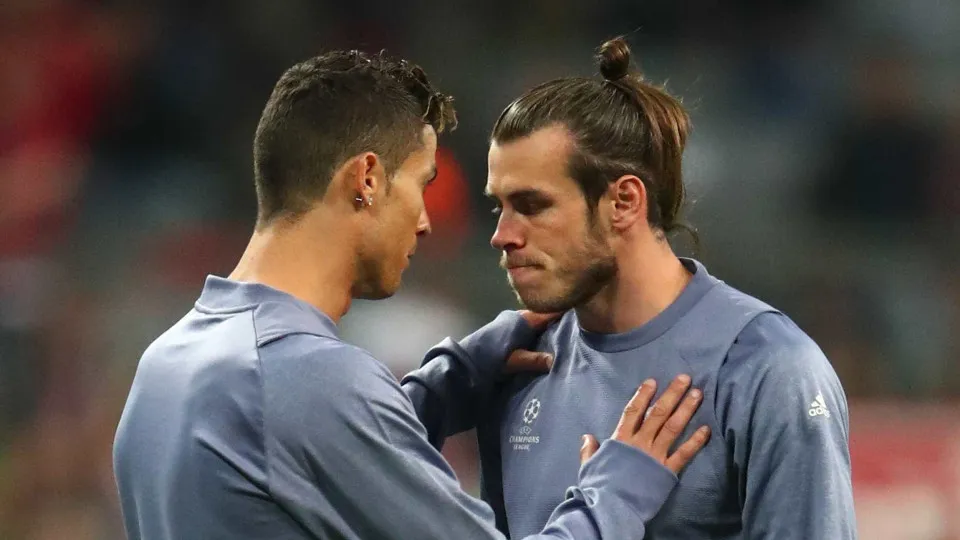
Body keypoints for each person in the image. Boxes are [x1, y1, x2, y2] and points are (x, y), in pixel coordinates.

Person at [111, 48, 711, 540]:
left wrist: (436, 390)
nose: (424, 221)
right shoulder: (307, 378)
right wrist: (619, 488)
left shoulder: (167, 362)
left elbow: (289, 467)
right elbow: (302, 414)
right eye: (422, 184)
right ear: (367, 180)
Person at [403, 37, 858, 539]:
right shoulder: (513, 368)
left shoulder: (768, 370)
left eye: (531, 206)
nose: (502, 235)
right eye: (500, 207)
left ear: (623, 202)